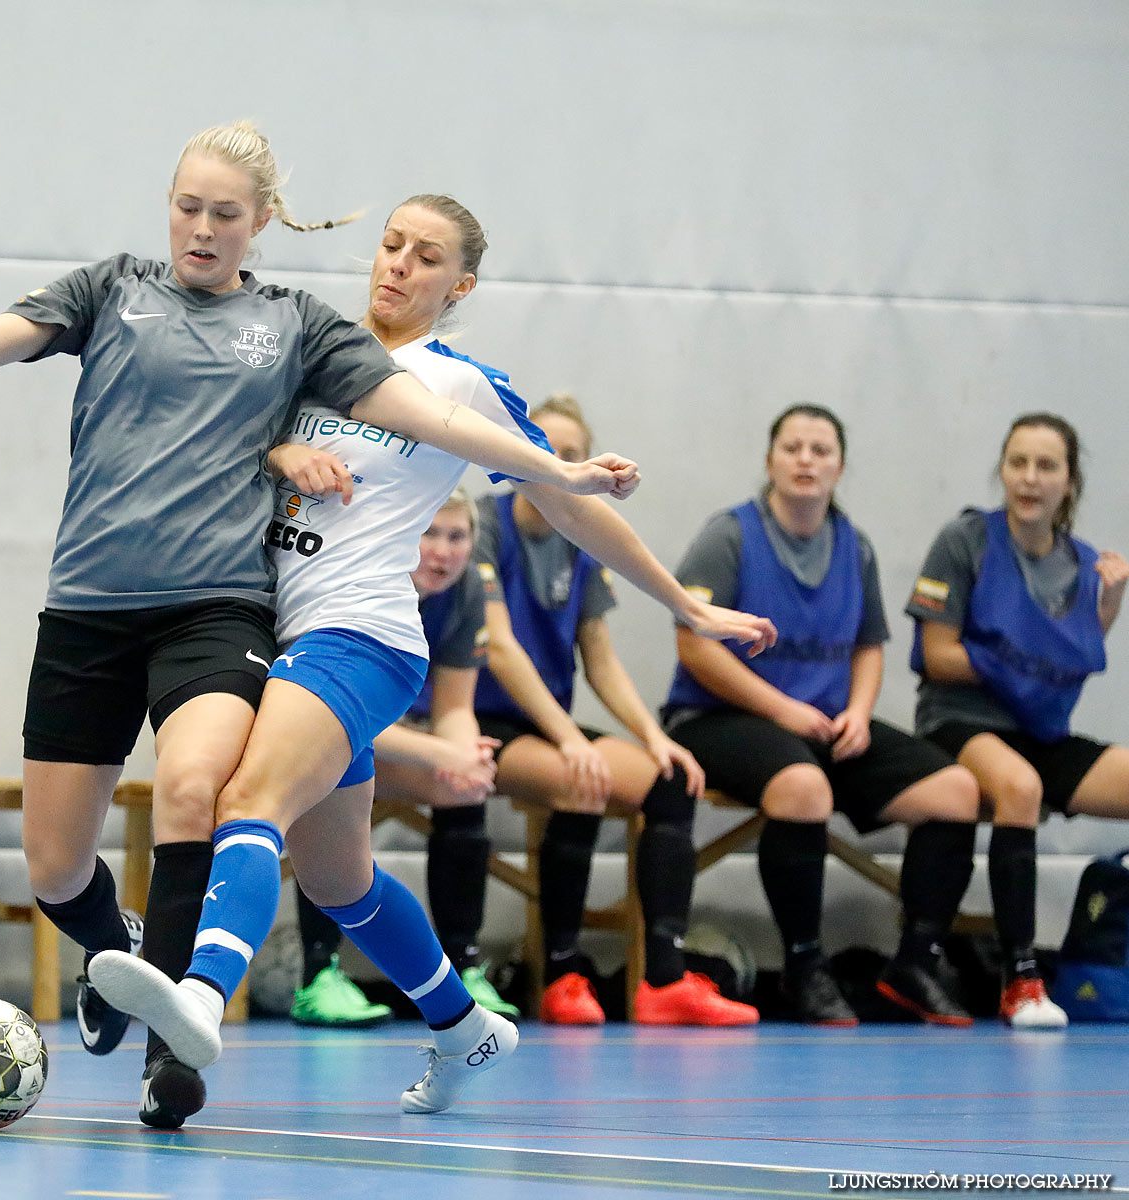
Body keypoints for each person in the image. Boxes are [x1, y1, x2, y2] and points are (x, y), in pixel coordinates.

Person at [0, 126, 638, 1130]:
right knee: (78, 865)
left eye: (226, 213)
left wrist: (554, 470)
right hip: (90, 608)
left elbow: (433, 423)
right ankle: (441, 1019)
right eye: (188, 205)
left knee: (207, 794)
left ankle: (174, 1058)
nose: (202, 227)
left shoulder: (300, 328)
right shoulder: (112, 290)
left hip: (224, 608)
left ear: (262, 223)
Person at [88, 194, 775, 1116]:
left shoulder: (454, 383)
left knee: (246, 800)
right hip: (275, 633)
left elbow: (570, 503)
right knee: (340, 879)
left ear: (462, 284)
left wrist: (686, 603)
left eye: (426, 256)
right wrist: (281, 451)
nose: (399, 265)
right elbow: (219, 447)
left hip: (361, 635)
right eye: (390, 244)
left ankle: (201, 998)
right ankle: (462, 1026)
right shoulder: (308, 347)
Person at [663, 404, 982, 1026]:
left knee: (955, 790)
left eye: (821, 450)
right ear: (770, 460)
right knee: (804, 787)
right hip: (715, 718)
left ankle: (916, 960)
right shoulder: (729, 535)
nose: (806, 460)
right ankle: (804, 967)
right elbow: (693, 642)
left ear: (839, 467)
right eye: (793, 448)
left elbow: (869, 644)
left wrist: (860, 712)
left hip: (825, 723)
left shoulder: (853, 545)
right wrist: (784, 710)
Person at [471, 394, 759, 1026]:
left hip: (549, 723)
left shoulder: (579, 538)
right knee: (579, 779)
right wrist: (568, 738)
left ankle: (663, 978)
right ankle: (564, 972)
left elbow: (598, 658)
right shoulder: (486, 524)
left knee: (670, 778)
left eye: (569, 452)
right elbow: (500, 650)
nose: (552, 458)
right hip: (477, 716)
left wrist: (655, 737)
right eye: (540, 443)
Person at [906, 412, 1129, 1028]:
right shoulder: (965, 542)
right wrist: (1022, 663)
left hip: (1041, 728)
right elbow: (938, 654)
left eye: (1046, 466)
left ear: (1070, 481)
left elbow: (1072, 658)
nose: (1029, 479)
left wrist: (1107, 605)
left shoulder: (1086, 566)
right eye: (1018, 463)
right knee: (1021, 786)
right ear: (1002, 470)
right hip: (959, 722)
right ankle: (1022, 977)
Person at [288, 490, 504, 1028]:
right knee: (330, 773)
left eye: (457, 537)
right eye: (430, 534)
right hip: (319, 724)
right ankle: (318, 975)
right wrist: (441, 751)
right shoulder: (367, 582)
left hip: (390, 735)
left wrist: (464, 756)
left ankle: (462, 965)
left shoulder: (466, 589)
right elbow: (342, 713)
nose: (443, 552)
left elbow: (455, 705)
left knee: (463, 788)